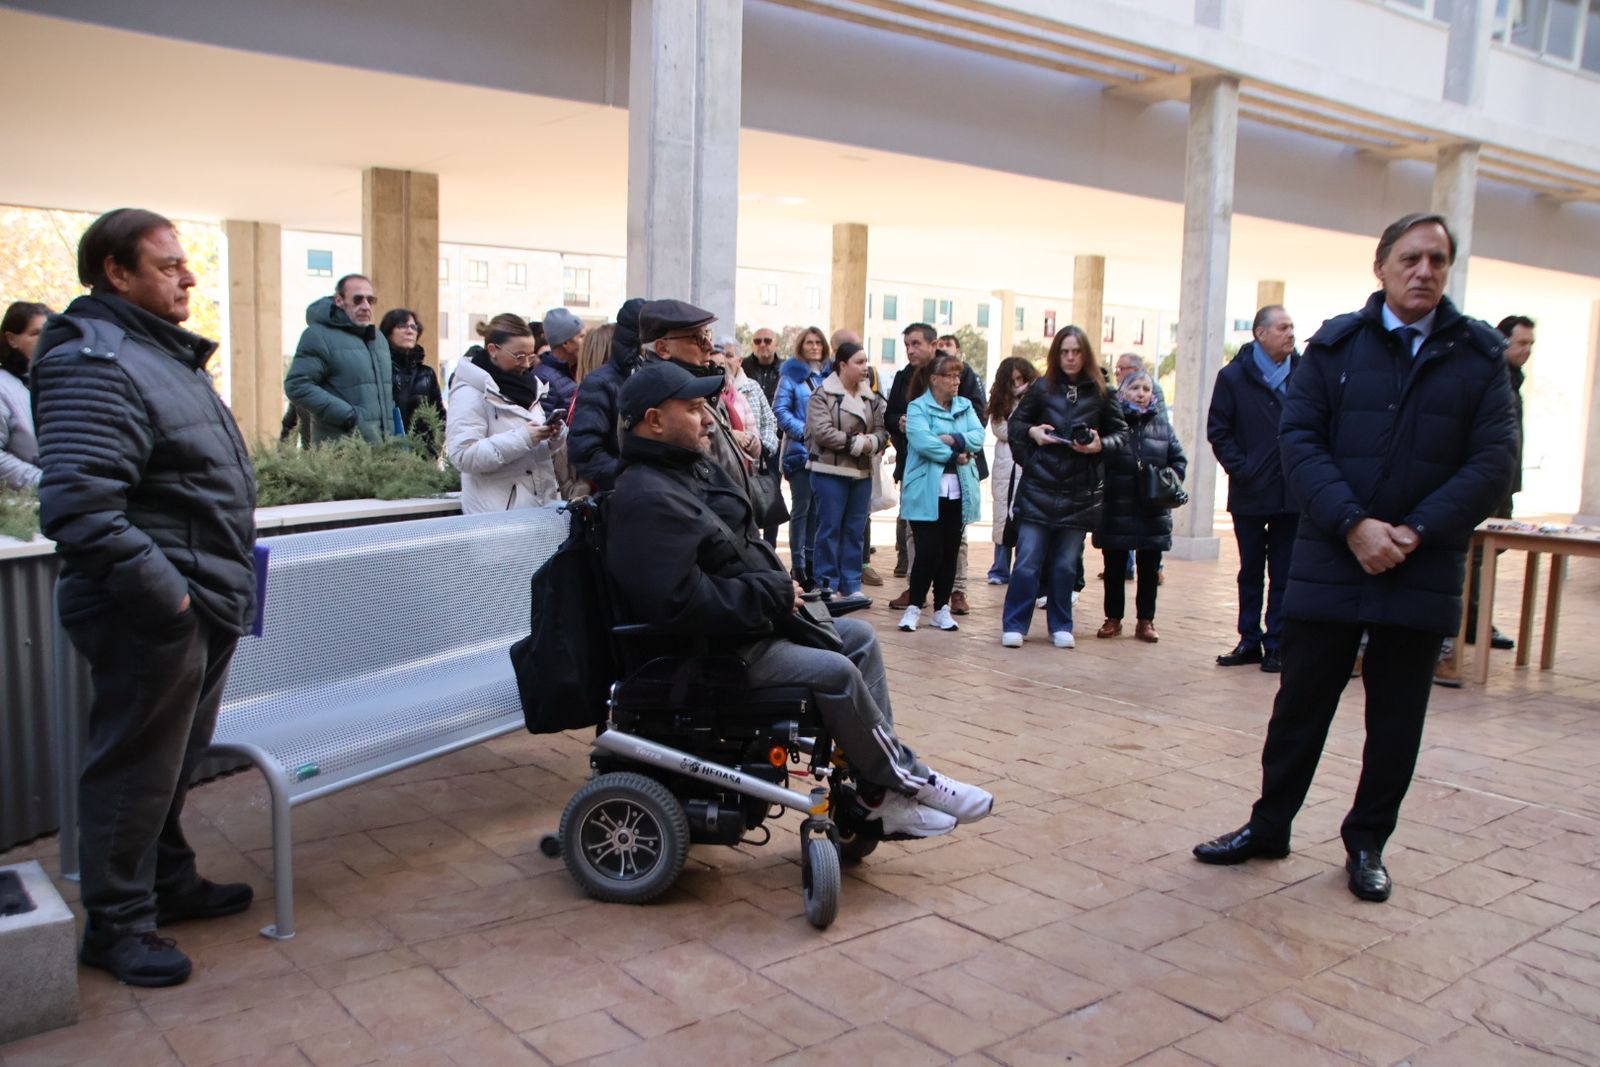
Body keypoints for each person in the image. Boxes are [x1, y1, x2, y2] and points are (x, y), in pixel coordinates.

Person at [1192, 213, 1518, 904]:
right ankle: (1268, 825)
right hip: (1332, 559)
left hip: (1420, 564)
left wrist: (1415, 531)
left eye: (1437, 259)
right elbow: (1299, 443)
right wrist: (1355, 525)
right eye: (1410, 257)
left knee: (1396, 718)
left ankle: (1366, 842)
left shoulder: (1479, 358)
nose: (1424, 270)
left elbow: (1494, 462)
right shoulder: (1336, 348)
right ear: (1382, 265)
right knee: (1299, 707)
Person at [604, 360, 993, 837]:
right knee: (837, 671)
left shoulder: (684, 473)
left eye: (706, 406)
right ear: (654, 421)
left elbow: (741, 540)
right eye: (693, 408)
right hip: (714, 651)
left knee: (859, 638)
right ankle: (906, 779)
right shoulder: (646, 496)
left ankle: (873, 795)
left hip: (749, 627)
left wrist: (776, 588)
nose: (708, 418)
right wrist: (770, 592)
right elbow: (678, 601)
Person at [33, 209, 259, 986]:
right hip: (154, 609)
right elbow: (81, 509)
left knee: (170, 763)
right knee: (133, 767)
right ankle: (118, 923)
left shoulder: (158, 354)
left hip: (200, 599)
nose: (188, 276)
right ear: (115, 272)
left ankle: (168, 881)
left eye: (184, 262)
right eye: (167, 265)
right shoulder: (95, 362)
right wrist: (172, 602)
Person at [1002, 325, 1127, 648]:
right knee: (1027, 560)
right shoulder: (1043, 388)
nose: (1070, 358)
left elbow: (1122, 435)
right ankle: (1015, 623)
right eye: (1064, 351)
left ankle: (1061, 624)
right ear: (1056, 354)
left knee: (1064, 563)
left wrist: (1099, 445)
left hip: (1080, 490)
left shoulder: (1103, 392)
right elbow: (1015, 425)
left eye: (1076, 351)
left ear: (1085, 354)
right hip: (1039, 487)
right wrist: (1033, 436)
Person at [1207, 304, 1300, 674]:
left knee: (1284, 571)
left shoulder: (1304, 374)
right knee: (1250, 571)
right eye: (1282, 328)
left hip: (1291, 494)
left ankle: (1276, 643)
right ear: (1260, 333)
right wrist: (1243, 469)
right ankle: (1249, 638)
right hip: (1250, 492)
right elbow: (1219, 430)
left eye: (1292, 327)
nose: (1290, 334)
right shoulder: (1233, 377)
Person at [1456, 314, 1535, 665]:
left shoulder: (1513, 381)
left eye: (1530, 344)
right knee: (1472, 558)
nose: (1526, 350)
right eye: (1520, 343)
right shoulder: (1489, 379)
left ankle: (1472, 623)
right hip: (1481, 486)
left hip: (1503, 486)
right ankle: (1466, 627)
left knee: (1486, 557)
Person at [1092, 371, 1187, 643]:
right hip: (1116, 505)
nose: (1141, 393)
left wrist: (1168, 479)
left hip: (1153, 509)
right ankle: (1113, 618)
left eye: (1146, 388)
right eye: (1135, 388)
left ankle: (1146, 620)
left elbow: (1178, 460)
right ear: (1123, 393)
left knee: (1149, 568)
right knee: (1114, 567)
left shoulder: (1163, 426)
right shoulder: (1111, 423)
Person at [898, 352, 984, 633]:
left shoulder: (965, 406)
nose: (956, 381)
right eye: (950, 375)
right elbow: (923, 442)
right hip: (926, 489)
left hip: (959, 489)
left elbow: (978, 437)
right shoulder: (917, 408)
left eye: (959, 375)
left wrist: (954, 439)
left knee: (950, 551)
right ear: (934, 379)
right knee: (928, 551)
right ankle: (914, 607)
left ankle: (942, 608)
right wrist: (954, 454)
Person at [445, 314, 565, 513]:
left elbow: (532, 449)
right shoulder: (469, 392)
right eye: (519, 356)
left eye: (530, 356)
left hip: (536, 508)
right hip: (496, 517)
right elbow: (463, 455)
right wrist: (524, 437)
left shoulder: (530, 386)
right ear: (493, 349)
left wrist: (552, 436)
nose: (526, 364)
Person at [805, 341, 887, 610]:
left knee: (854, 530)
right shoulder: (822, 394)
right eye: (859, 362)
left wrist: (874, 442)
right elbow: (821, 431)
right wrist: (857, 443)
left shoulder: (871, 397)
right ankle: (826, 583)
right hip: (829, 471)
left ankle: (851, 585)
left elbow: (881, 430)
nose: (866, 367)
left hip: (861, 472)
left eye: (866, 362)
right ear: (842, 364)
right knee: (829, 528)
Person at [283, 274, 394, 444]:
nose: (365, 306)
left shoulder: (377, 339)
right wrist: (348, 416)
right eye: (358, 299)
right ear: (339, 300)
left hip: (381, 452)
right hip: (341, 452)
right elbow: (297, 385)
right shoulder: (317, 335)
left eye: (370, 300)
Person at [773, 327, 831, 589]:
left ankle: (812, 562)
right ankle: (798, 565)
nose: (814, 346)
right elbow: (780, 409)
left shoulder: (830, 376)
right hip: (800, 452)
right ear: (801, 345)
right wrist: (805, 434)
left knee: (819, 512)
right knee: (802, 509)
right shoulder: (791, 376)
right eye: (809, 342)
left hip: (827, 453)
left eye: (818, 342)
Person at [569, 297, 646, 492]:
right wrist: (635, 481)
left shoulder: (643, 373)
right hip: (617, 495)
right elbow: (585, 450)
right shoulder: (600, 383)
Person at [985, 356, 1038, 584]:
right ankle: (999, 568)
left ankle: (1022, 569)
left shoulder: (1037, 398)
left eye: (1021, 378)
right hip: (1005, 464)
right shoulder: (1000, 402)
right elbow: (1000, 429)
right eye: (1013, 379)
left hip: (1027, 464)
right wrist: (1026, 431)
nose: (1017, 384)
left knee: (1025, 518)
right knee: (1002, 518)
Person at [1, 300, 49, 489]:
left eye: (48, 332)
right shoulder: (3, 387)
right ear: (12, 339)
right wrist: (43, 481)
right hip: (24, 506)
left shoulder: (61, 381)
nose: (45, 339)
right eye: (36, 333)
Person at [379, 308, 444, 444]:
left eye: (413, 327)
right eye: (402, 326)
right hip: (383, 453)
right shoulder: (378, 369)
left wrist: (432, 449)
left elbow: (439, 417)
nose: (409, 331)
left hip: (420, 456)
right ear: (388, 332)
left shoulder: (427, 374)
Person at [535, 307, 585, 417]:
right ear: (566, 343)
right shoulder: (544, 378)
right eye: (582, 336)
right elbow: (543, 426)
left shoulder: (578, 369)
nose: (587, 342)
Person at [742, 326, 783, 406]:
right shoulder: (741, 367)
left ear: (776, 345)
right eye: (757, 341)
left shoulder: (786, 369)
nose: (762, 344)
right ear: (752, 346)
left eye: (767, 341)